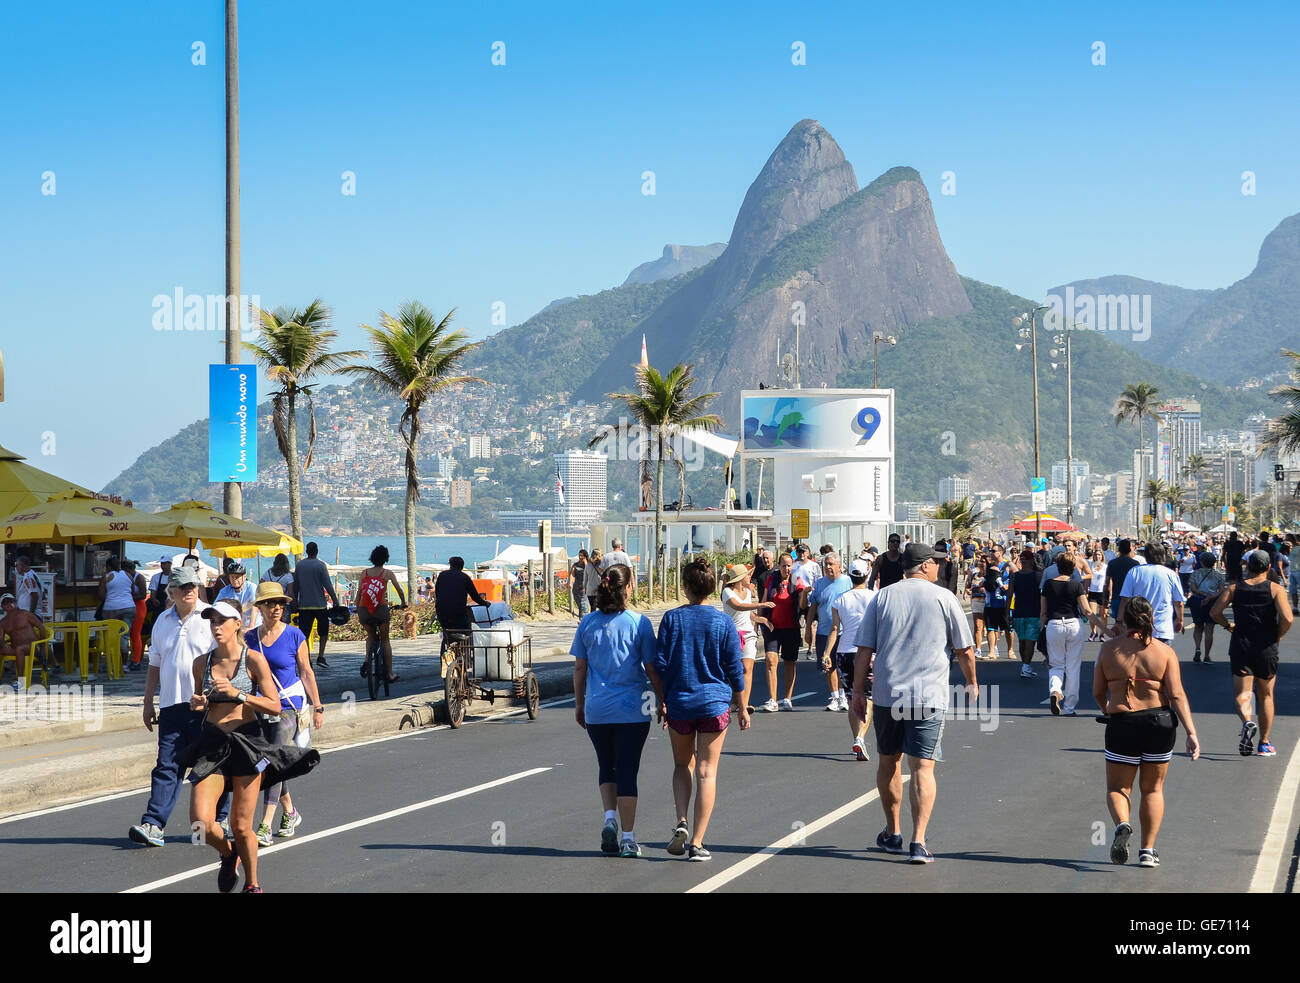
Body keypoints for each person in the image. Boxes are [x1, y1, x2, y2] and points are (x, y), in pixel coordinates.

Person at [182, 599, 319, 892]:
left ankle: (252, 884)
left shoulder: (253, 659)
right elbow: (199, 700)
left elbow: (272, 705)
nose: (216, 627)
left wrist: (238, 694)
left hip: (247, 741)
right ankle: (229, 853)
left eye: (222, 621)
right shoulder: (201, 663)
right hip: (213, 744)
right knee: (200, 823)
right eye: (212, 621)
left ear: (237, 624)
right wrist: (199, 703)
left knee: (243, 825)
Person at [851, 543, 976, 864]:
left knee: (888, 762)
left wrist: (856, 692)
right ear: (923, 566)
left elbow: (864, 649)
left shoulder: (883, 596)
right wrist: (972, 682)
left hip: (888, 694)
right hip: (928, 696)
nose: (938, 567)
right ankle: (918, 842)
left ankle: (893, 833)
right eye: (934, 562)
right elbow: (964, 649)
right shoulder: (944, 597)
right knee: (922, 767)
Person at [653, 559, 748, 861]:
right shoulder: (723, 623)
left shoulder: (671, 619)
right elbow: (735, 670)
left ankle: (680, 820)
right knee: (707, 772)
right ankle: (697, 842)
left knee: (683, 766)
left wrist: (662, 700)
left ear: (685, 586)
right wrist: (743, 708)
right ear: (712, 588)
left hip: (680, 703)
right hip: (714, 705)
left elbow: (661, 665)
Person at [1094, 596, 1199, 868]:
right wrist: (1191, 732)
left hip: (1122, 723)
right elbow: (1177, 695)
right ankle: (1147, 851)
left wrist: (1108, 708)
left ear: (1125, 620)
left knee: (1118, 787)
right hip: (1159, 722)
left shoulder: (1109, 650)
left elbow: (1097, 692)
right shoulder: (1164, 652)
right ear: (1151, 619)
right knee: (1153, 789)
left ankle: (1123, 824)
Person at [129, 565, 229, 848]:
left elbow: (225, 659)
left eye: (193, 586)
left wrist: (216, 696)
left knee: (208, 767)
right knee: (166, 766)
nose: (189, 591)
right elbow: (155, 665)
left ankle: (215, 822)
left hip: (205, 706)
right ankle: (153, 824)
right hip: (172, 705)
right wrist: (148, 702)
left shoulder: (211, 617)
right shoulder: (162, 620)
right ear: (170, 591)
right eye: (183, 587)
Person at [571, 564, 665, 858]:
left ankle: (609, 818)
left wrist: (579, 703)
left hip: (597, 708)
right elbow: (651, 668)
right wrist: (662, 699)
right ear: (629, 588)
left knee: (606, 766)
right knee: (627, 771)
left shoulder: (587, 623)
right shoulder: (639, 623)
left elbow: (579, 668)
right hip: (632, 710)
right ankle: (627, 837)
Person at [246, 581, 323, 847]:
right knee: (268, 762)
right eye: (270, 603)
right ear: (260, 607)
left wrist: (318, 706)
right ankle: (290, 812)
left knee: (273, 761)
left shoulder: (295, 635)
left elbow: (306, 672)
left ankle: (265, 824)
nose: (277, 608)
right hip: (260, 706)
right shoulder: (249, 638)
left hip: (289, 704)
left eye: (280, 603)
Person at [1210, 550, 1293, 757]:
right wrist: (1278, 635)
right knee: (1266, 695)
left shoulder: (1234, 588)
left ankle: (1248, 722)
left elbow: (1214, 613)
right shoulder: (1275, 589)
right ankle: (1264, 743)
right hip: (1266, 647)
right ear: (1268, 568)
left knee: (1242, 694)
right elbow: (1288, 618)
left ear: (1248, 567)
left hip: (1241, 645)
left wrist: (1228, 625)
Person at [825, 559, 877, 760]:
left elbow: (835, 629)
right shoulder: (875, 597)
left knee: (850, 698)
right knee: (868, 697)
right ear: (867, 574)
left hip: (844, 651)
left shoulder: (840, 599)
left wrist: (826, 653)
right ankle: (861, 739)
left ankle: (856, 737)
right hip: (868, 651)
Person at [1042, 554, 1101, 716]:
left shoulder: (1048, 585)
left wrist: (1042, 630)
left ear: (1057, 566)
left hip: (1053, 624)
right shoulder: (1076, 585)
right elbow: (1087, 611)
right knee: (1073, 667)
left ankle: (1055, 690)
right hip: (1073, 624)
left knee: (1056, 664)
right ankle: (1069, 707)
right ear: (1073, 568)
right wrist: (1105, 628)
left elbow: (1043, 612)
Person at [720, 564, 773, 714]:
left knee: (747, 668)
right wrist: (761, 604)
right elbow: (739, 606)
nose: (750, 578)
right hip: (732, 634)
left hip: (748, 634)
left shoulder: (748, 592)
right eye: (748, 575)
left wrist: (759, 619)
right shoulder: (727, 592)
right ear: (740, 578)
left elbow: (748, 612)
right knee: (733, 671)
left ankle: (745, 704)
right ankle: (735, 701)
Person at [1117, 542, 1186, 646]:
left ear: (1146, 555)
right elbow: (1178, 602)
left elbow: (1125, 599)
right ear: (1163, 555)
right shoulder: (1170, 574)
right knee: (1161, 661)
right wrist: (1180, 619)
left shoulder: (1135, 571)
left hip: (1137, 628)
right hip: (1162, 629)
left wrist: (1119, 621)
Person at [807, 553, 853, 711]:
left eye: (831, 564)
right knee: (829, 665)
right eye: (825, 564)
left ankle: (843, 697)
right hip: (823, 631)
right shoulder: (819, 584)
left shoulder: (848, 581)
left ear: (839, 566)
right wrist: (808, 629)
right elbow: (812, 607)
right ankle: (834, 698)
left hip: (843, 631)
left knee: (842, 666)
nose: (827, 567)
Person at [358, 546, 407, 685]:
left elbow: (358, 595)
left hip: (364, 609)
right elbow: (400, 591)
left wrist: (357, 608)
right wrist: (403, 603)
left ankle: (367, 660)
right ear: (386, 558)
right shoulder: (387, 573)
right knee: (385, 640)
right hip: (380, 609)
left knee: (370, 636)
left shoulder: (364, 573)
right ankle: (390, 674)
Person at [759, 552, 801, 712]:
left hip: (791, 628)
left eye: (789, 565)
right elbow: (764, 600)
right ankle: (772, 699)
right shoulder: (771, 580)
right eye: (783, 565)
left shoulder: (797, 580)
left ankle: (787, 699)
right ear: (778, 566)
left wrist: (803, 592)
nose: (786, 568)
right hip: (772, 627)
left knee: (790, 662)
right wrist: (761, 620)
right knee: (770, 660)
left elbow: (803, 605)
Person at [293, 541, 341, 669]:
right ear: (317, 551)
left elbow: (296, 585)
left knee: (304, 635)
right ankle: (321, 656)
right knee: (323, 632)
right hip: (320, 606)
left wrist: (295, 601)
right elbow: (327, 584)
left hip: (304, 606)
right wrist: (335, 600)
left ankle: (307, 658)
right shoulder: (321, 565)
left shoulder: (300, 565)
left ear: (306, 551)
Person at [98, 556, 138, 672]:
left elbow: (100, 595)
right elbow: (132, 590)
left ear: (108, 567)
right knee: (124, 636)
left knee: (110, 636)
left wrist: (111, 599)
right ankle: (124, 665)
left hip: (111, 609)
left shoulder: (107, 577)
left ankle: (110, 664)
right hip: (129, 607)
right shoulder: (128, 575)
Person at [1009, 548, 1043, 678]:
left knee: (1023, 641)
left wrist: (1007, 613)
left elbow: (1010, 594)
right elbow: (1043, 595)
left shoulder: (1015, 576)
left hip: (1018, 612)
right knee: (1029, 641)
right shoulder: (1037, 575)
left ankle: (1025, 666)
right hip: (1033, 612)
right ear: (1031, 561)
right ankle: (1026, 666)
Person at [0, 593, 45, 690]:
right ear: (2, 607)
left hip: (33, 646)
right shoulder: (3, 622)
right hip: (15, 649)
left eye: (11, 601)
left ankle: (21, 682)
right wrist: (3, 644)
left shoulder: (25, 614)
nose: (9, 604)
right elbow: (0, 639)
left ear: (16, 603)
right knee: (13, 649)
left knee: (19, 649)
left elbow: (41, 627)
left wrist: (42, 646)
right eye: (5, 602)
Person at [1187, 552, 1225, 664]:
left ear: (1202, 562)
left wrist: (1203, 594)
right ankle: (1207, 655)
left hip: (1197, 601)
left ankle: (1197, 648)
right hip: (1212, 602)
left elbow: (1193, 588)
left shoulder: (1195, 573)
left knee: (1198, 627)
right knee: (1209, 629)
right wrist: (1210, 596)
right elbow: (1221, 590)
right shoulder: (1218, 575)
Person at [434, 555, 488, 633]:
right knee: (465, 631)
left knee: (447, 631)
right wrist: (485, 603)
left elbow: (437, 592)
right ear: (462, 566)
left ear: (450, 565)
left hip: (441, 610)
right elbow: (475, 596)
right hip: (457, 611)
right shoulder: (465, 577)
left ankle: (447, 642)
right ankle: (460, 641)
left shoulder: (442, 575)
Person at [981, 547, 1011, 660]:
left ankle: (1010, 649)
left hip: (1003, 602)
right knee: (990, 628)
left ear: (1001, 552)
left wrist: (1007, 586)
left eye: (994, 551)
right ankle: (991, 651)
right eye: (991, 551)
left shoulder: (1007, 566)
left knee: (1008, 628)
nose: (992, 553)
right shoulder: (990, 566)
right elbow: (985, 579)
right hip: (990, 602)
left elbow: (1012, 581)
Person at [215, 564, 260, 633]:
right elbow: (216, 606)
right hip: (236, 628)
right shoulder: (225, 591)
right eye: (232, 577)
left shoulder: (251, 587)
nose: (234, 579)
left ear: (244, 577)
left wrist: (251, 627)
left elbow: (255, 608)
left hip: (254, 626)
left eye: (237, 577)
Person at [965, 556, 987, 655]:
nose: (981, 564)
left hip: (988, 603)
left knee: (990, 627)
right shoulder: (974, 575)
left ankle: (993, 648)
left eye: (983, 562)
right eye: (980, 562)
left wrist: (985, 590)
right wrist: (968, 591)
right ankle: (978, 649)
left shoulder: (990, 576)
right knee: (978, 626)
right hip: (976, 602)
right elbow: (969, 586)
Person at [1086, 547, 1109, 641]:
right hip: (1093, 591)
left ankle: (1102, 634)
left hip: (1103, 592)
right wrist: (1086, 590)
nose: (1097, 556)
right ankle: (1094, 632)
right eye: (1096, 554)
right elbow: (1088, 578)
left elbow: (1109, 580)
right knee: (1092, 614)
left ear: (1102, 556)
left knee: (1104, 615)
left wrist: (1110, 592)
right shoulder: (1090, 565)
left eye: (1099, 554)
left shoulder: (1106, 566)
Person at [572, 549, 592, 616]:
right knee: (579, 604)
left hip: (584, 588)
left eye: (582, 556)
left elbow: (589, 572)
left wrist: (585, 562)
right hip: (576, 588)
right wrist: (569, 583)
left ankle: (582, 618)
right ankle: (583, 616)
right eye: (579, 555)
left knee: (583, 603)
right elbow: (572, 574)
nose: (580, 557)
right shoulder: (575, 565)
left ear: (585, 556)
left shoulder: (588, 565)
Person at [584, 548, 603, 615]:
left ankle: (593, 623)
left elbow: (585, 578)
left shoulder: (588, 565)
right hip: (600, 588)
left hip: (590, 589)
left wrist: (585, 588)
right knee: (602, 609)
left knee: (593, 608)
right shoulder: (601, 564)